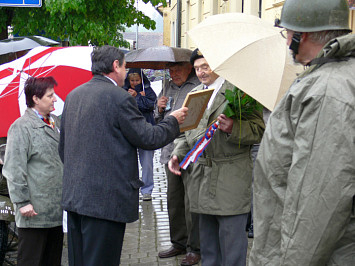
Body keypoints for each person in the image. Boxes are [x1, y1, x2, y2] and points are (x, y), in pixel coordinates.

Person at [59, 45, 188, 266]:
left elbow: (63, 149)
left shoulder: (73, 95)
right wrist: (173, 120)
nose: (126, 73)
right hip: (105, 203)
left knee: (79, 260)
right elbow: (148, 138)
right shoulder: (119, 98)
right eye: (125, 67)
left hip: (75, 199)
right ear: (115, 66)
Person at [249, 0, 355, 265]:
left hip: (307, 252)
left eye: (287, 34)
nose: (286, 43)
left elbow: (318, 202)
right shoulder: (332, 77)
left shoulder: (327, 90)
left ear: (302, 35)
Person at [169, 49, 265, 266]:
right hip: (201, 180)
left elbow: (259, 129)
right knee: (208, 247)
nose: (201, 72)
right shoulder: (194, 93)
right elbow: (187, 133)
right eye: (197, 69)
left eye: (205, 66)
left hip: (230, 178)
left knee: (232, 246)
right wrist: (177, 155)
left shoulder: (240, 93)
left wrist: (233, 127)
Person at [2, 77, 63, 266]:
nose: (55, 99)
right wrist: (22, 202)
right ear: (36, 99)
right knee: (31, 260)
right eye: (50, 95)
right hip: (34, 211)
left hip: (55, 209)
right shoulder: (21, 127)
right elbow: (13, 168)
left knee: (52, 260)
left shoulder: (55, 123)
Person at [155, 61, 201, 265]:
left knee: (191, 203)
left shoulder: (197, 87)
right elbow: (158, 122)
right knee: (174, 202)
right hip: (168, 152)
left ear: (189, 69)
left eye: (178, 69)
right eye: (171, 70)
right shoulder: (166, 88)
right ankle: (178, 242)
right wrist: (158, 109)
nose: (174, 74)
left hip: (191, 151)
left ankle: (194, 247)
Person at [124, 68, 157, 201]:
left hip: (146, 130)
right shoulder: (123, 91)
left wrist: (137, 97)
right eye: (132, 80)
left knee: (147, 162)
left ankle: (147, 190)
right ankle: (129, 189)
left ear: (141, 79)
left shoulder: (148, 90)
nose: (134, 83)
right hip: (129, 131)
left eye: (137, 80)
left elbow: (150, 105)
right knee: (128, 163)